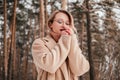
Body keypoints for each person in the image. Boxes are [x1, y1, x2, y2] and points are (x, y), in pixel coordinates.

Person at [32, 9, 89, 80]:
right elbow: (50, 66)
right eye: (60, 22)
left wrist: (73, 39)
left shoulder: (71, 43)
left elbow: (80, 70)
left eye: (67, 23)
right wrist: (64, 39)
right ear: (50, 24)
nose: (64, 26)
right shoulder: (40, 43)